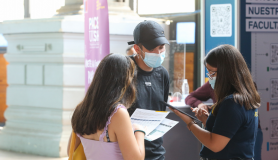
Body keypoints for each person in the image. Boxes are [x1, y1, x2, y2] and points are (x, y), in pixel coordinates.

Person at [171, 44, 261, 160]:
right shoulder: (246, 97)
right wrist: (207, 121)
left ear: (227, 72)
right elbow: (230, 131)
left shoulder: (232, 103)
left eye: (212, 73)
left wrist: (190, 123)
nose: (210, 77)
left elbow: (215, 144)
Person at [67, 54, 146, 160]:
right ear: (125, 81)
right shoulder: (118, 113)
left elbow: (70, 150)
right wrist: (139, 131)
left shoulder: (81, 109)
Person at [127, 20, 170, 160]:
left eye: (161, 47)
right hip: (128, 151)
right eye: (152, 49)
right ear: (137, 49)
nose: (158, 53)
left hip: (156, 152)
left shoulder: (162, 74)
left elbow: (160, 110)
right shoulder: (124, 70)